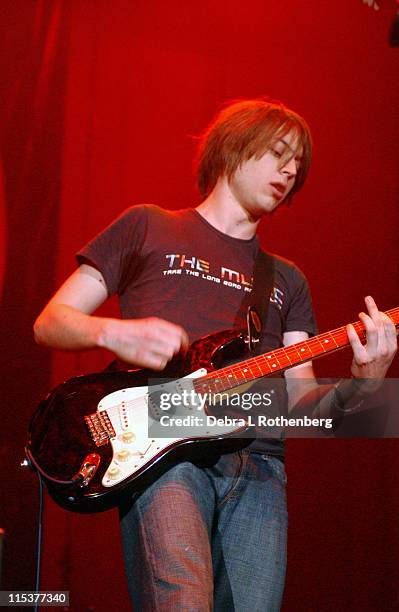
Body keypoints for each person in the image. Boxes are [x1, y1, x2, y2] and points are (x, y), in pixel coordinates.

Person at [34, 98, 397, 611]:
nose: (291, 171)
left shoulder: (286, 278)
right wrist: (118, 334)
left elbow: (301, 403)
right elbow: (50, 322)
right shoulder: (148, 226)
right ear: (233, 147)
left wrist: (365, 384)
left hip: (262, 468)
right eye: (279, 153)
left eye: (299, 164)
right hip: (164, 450)